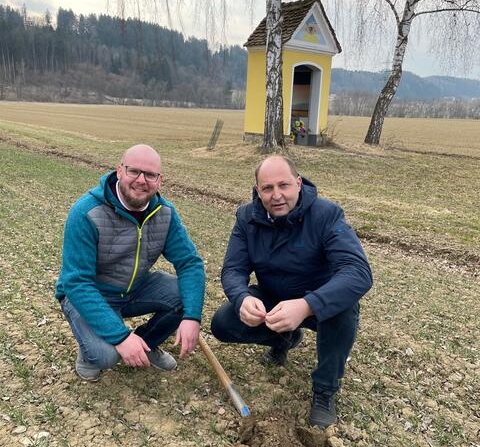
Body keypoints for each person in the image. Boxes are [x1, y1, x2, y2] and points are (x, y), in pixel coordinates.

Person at [211, 155, 372, 429]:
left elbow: (358, 272)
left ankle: (324, 391)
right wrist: (243, 298)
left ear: (298, 184)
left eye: (283, 185)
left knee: (344, 307)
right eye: (267, 188)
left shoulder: (326, 215)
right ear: (257, 190)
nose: (277, 196)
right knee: (223, 323)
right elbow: (233, 270)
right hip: (273, 298)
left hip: (318, 302)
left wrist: (307, 305)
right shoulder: (246, 218)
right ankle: (283, 339)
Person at [56, 144, 205, 382]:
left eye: (150, 175)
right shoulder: (86, 212)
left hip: (133, 289)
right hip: (89, 294)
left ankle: (146, 344)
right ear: (119, 171)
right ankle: (90, 353)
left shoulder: (165, 213)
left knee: (183, 296)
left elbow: (190, 263)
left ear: (160, 180)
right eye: (134, 171)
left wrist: (192, 316)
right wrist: (121, 337)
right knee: (105, 356)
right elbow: (77, 283)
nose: (141, 180)